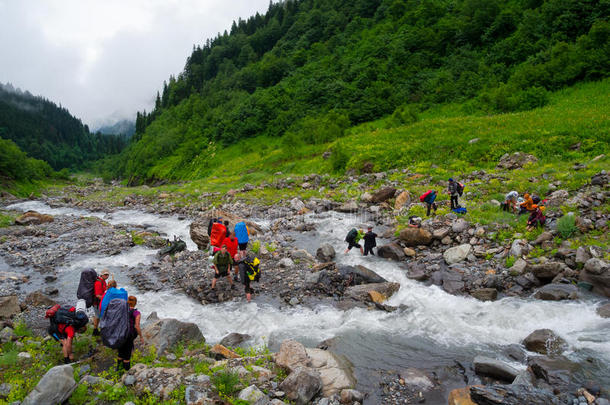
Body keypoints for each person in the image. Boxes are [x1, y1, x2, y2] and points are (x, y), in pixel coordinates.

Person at [116, 295, 143, 372]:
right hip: (129, 335)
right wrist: (141, 336)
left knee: (120, 353)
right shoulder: (136, 313)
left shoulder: (121, 310)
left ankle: (118, 369)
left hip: (120, 333)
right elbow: (137, 326)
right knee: (127, 356)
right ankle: (127, 373)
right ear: (135, 303)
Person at [92, 269, 110, 336]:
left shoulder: (103, 281)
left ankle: (95, 330)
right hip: (97, 303)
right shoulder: (98, 283)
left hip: (100, 302)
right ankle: (97, 331)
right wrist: (106, 300)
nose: (107, 276)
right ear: (101, 275)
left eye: (107, 274)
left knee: (98, 316)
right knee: (99, 316)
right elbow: (98, 295)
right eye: (105, 274)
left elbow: (104, 291)